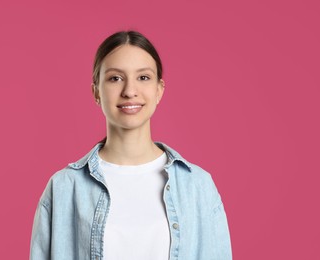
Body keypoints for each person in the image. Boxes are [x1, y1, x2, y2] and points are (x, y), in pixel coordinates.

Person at [30, 31, 232, 260]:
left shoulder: (197, 186)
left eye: (143, 77)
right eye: (115, 78)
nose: (129, 91)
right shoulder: (64, 188)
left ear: (159, 89)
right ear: (96, 91)